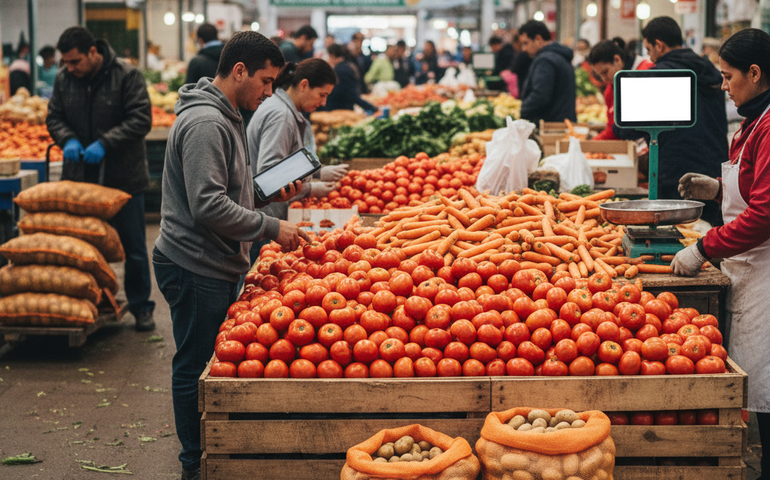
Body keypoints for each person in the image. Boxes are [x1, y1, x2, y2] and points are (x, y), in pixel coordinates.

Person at [154, 31, 310, 480]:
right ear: (239, 71)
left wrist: (265, 193)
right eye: (265, 81)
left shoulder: (229, 115)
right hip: (193, 262)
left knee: (205, 361)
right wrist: (271, 226)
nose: (269, 92)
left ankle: (206, 454)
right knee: (196, 364)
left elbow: (227, 191)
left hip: (212, 258)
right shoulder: (208, 123)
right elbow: (207, 205)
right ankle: (194, 464)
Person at [670, 29, 770, 479]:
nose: (724, 86)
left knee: (766, 390)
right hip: (749, 266)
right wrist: (715, 192)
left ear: (755, 73)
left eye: (729, 77)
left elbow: (765, 215)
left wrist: (701, 248)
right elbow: (752, 190)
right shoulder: (753, 120)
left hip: (766, 271)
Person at [46, 26, 156, 332]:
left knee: (133, 246)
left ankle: (141, 307)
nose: (70, 67)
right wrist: (67, 138)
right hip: (81, 179)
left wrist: (105, 143)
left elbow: (140, 119)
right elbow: (53, 116)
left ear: (93, 52)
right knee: (82, 247)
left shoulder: (126, 75)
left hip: (123, 178)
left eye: (75, 61)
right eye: (66, 62)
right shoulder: (64, 79)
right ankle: (90, 305)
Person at [613, 16, 728, 226]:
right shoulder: (711, 70)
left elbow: (624, 128)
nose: (649, 55)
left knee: (676, 234)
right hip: (714, 172)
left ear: (659, 45)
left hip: (676, 174)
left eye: (649, 49)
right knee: (708, 234)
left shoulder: (659, 76)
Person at [247, 58, 347, 264]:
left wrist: (318, 172)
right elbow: (270, 176)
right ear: (304, 85)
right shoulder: (280, 116)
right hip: (264, 219)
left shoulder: (283, 110)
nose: (323, 103)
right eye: (322, 95)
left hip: (266, 217)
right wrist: (311, 188)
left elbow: (286, 160)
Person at [587, 38, 654, 140]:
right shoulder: (610, 90)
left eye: (605, 72)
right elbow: (613, 127)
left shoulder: (647, 71)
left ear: (617, 60)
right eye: (600, 75)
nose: (604, 79)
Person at [518, 20, 576, 125]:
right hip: (563, 123)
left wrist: (521, 111)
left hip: (551, 126)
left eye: (526, 43)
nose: (524, 49)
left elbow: (540, 95)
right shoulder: (559, 56)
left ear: (538, 39)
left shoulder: (545, 61)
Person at [321, 44, 377, 112]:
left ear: (332, 55)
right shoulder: (344, 66)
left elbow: (351, 93)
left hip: (341, 110)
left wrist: (371, 108)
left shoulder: (341, 70)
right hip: (341, 109)